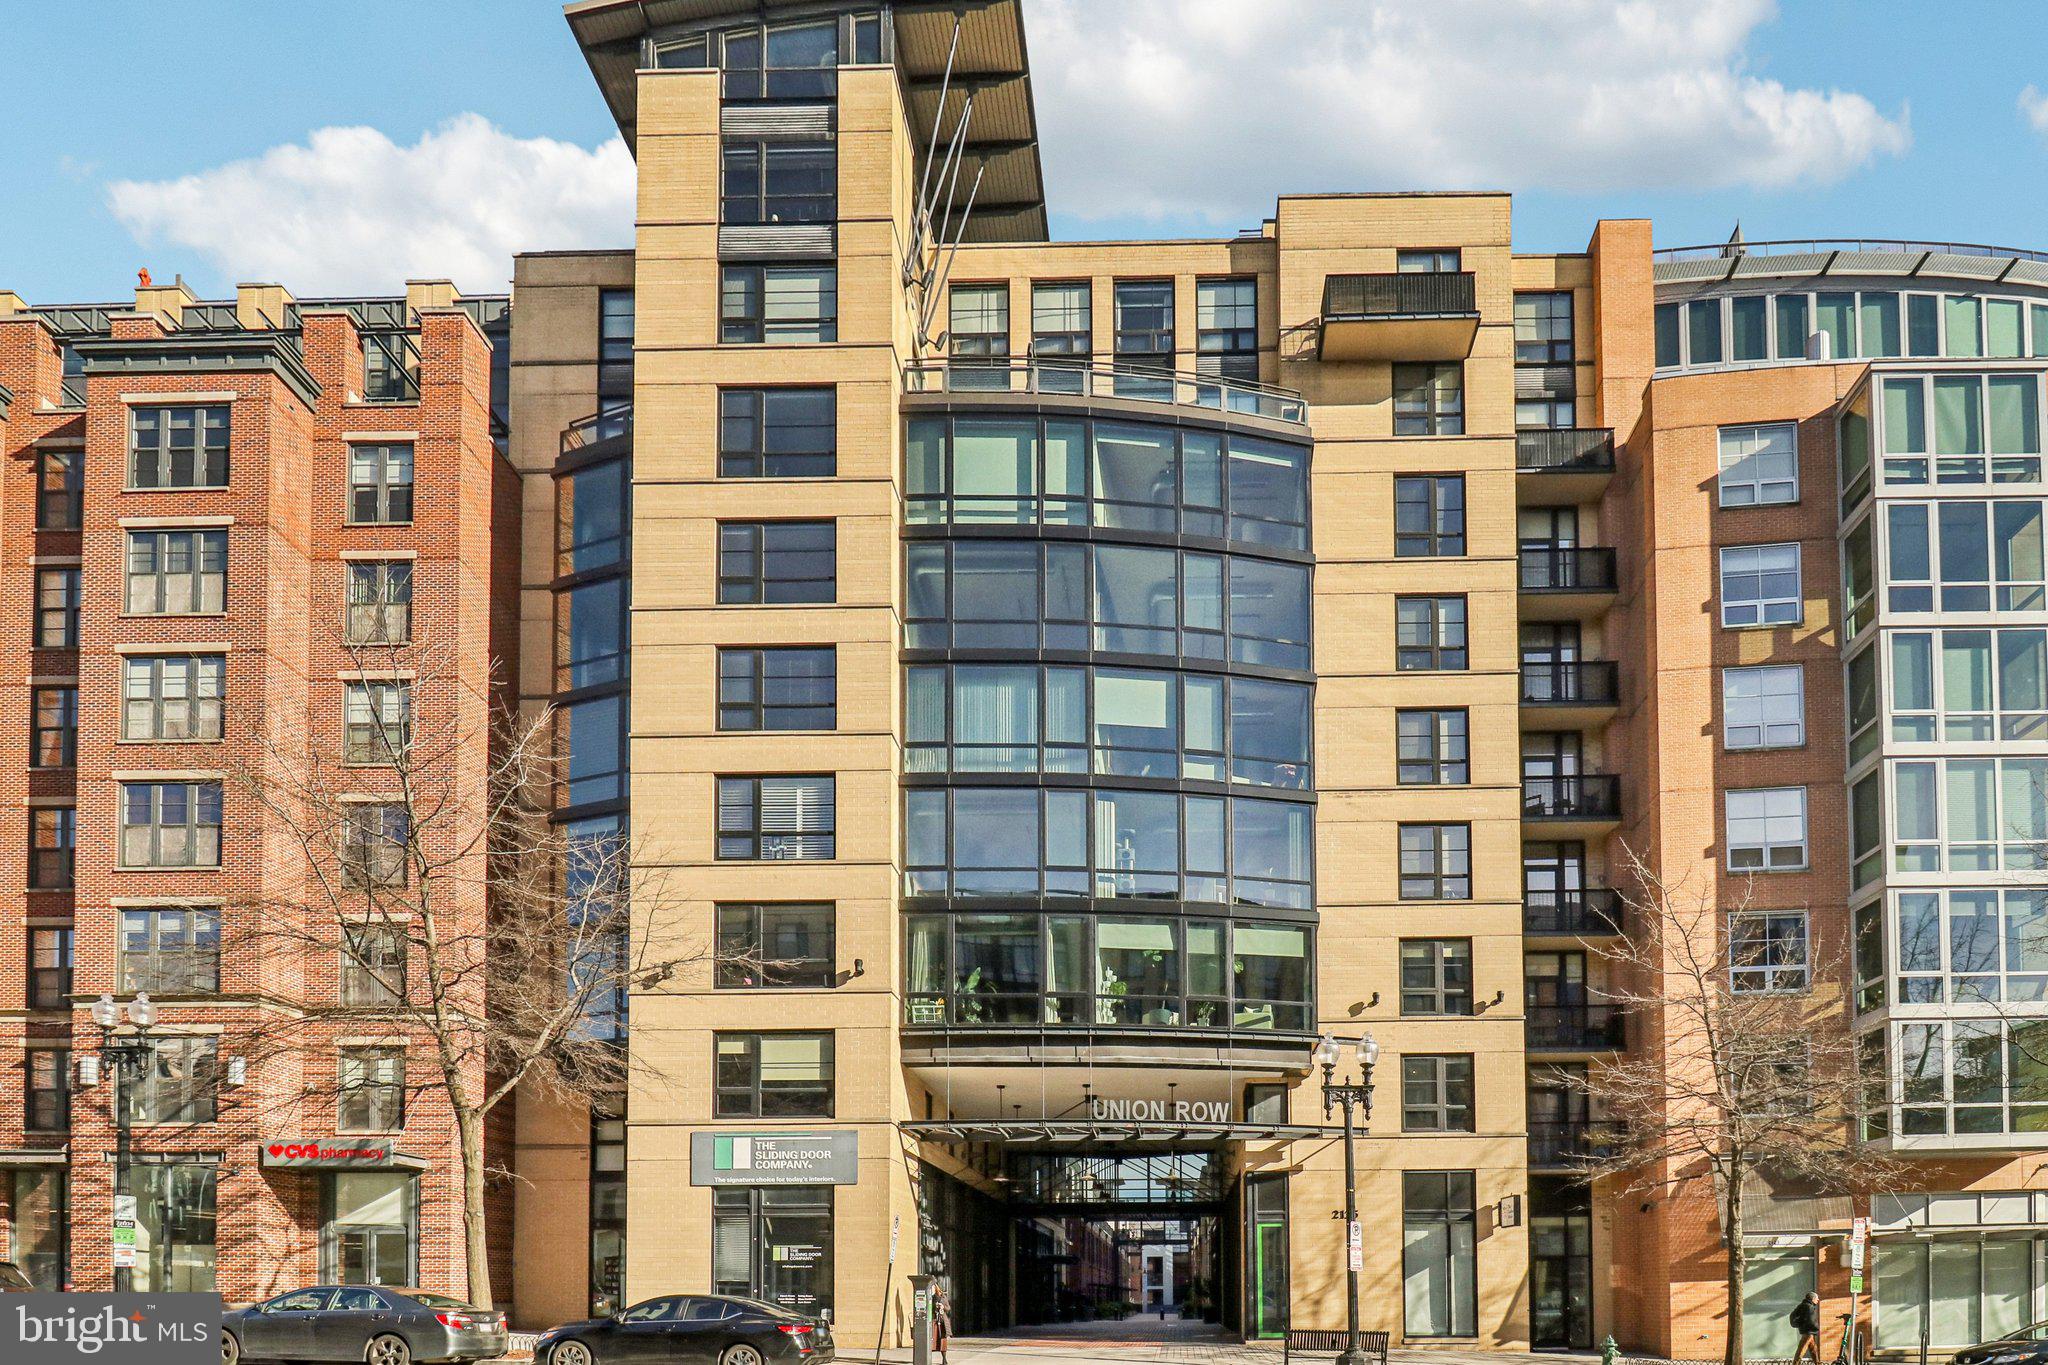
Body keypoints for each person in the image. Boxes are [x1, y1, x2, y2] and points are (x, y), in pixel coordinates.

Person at [1790, 1291, 1822, 1365]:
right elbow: (1811, 1320)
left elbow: (1793, 1315)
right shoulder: (1809, 1307)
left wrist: (1799, 1324)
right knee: (1801, 1350)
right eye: (1817, 1298)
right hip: (1809, 1331)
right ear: (1812, 1299)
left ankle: (1817, 1363)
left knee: (1813, 1349)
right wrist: (1816, 1328)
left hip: (1806, 1330)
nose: (1818, 1300)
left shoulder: (1802, 1305)